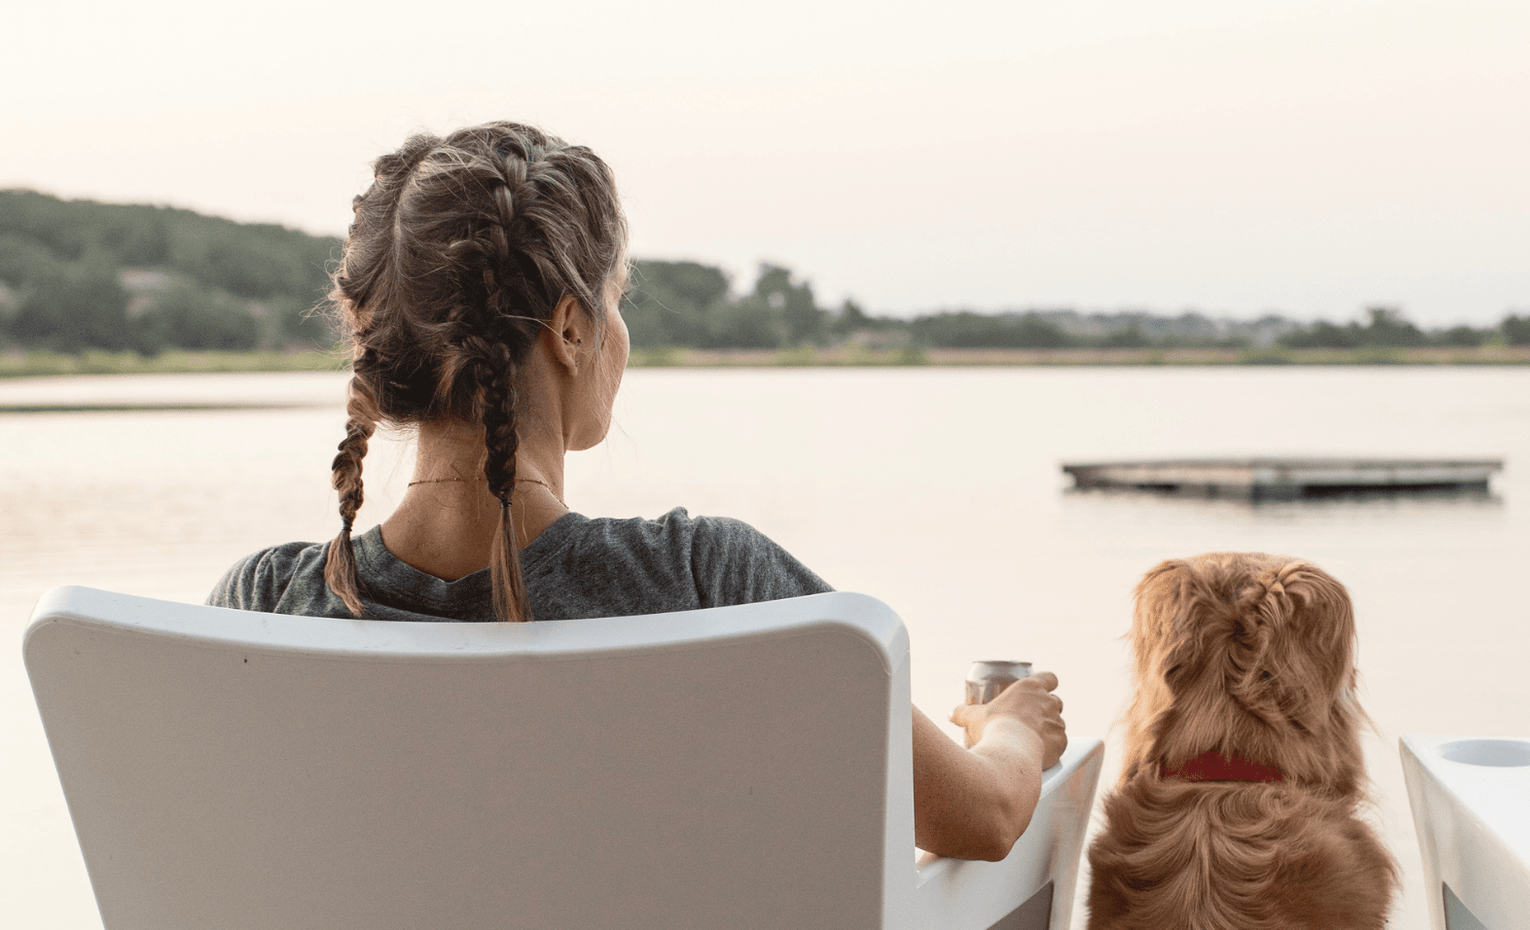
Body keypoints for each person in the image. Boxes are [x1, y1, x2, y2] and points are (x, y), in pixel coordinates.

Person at [207, 121, 1064, 861]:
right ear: (571, 328)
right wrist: (1011, 728)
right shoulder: (706, 584)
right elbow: (981, 820)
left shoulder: (261, 609)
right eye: (615, 301)